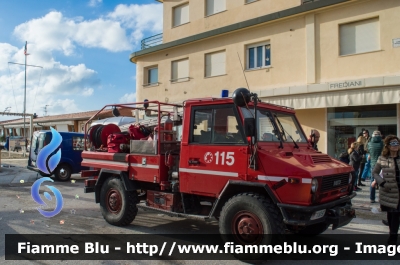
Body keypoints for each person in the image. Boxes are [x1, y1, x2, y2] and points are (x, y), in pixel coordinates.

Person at [372, 135, 400, 243]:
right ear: (388, 146)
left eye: (397, 143)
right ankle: (392, 237)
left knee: (396, 215)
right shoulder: (382, 158)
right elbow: (375, 172)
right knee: (391, 214)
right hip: (388, 191)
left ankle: (392, 240)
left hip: (399, 191)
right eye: (393, 143)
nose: (396, 145)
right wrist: (382, 183)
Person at [368, 131, 384, 203]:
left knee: (372, 181)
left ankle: (372, 198)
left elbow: (368, 151)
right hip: (382, 163)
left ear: (373, 135)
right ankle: (382, 198)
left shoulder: (369, 143)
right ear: (380, 135)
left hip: (373, 164)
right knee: (382, 181)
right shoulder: (382, 143)